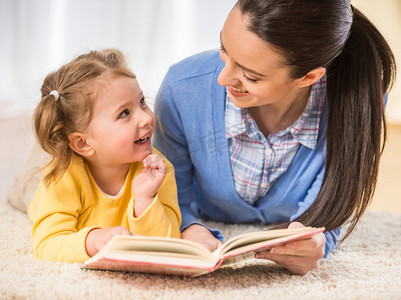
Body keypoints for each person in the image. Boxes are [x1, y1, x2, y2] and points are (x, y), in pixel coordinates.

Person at [153, 0, 396, 275]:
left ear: (308, 77)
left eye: (250, 76)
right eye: (224, 48)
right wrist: (187, 227)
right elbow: (168, 193)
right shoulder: (183, 87)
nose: (223, 78)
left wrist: (314, 240)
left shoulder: (357, 101)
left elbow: (330, 206)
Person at [28, 49, 181, 263]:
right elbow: (47, 244)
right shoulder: (62, 177)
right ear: (83, 143)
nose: (146, 118)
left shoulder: (157, 170)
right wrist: (93, 240)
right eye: (124, 113)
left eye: (141, 102)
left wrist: (145, 199)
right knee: (28, 194)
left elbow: (169, 244)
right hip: (48, 187)